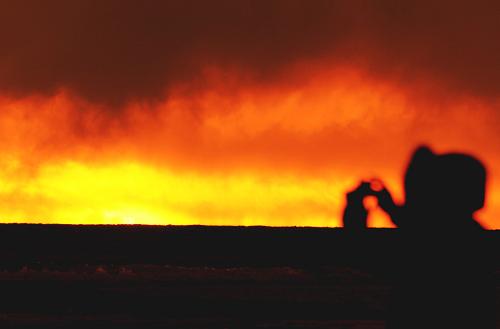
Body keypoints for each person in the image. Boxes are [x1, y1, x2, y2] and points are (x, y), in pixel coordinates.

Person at [343, 145, 495, 328]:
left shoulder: (432, 239)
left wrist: (355, 212)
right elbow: (427, 224)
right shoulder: (473, 235)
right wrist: (390, 207)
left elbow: (364, 256)